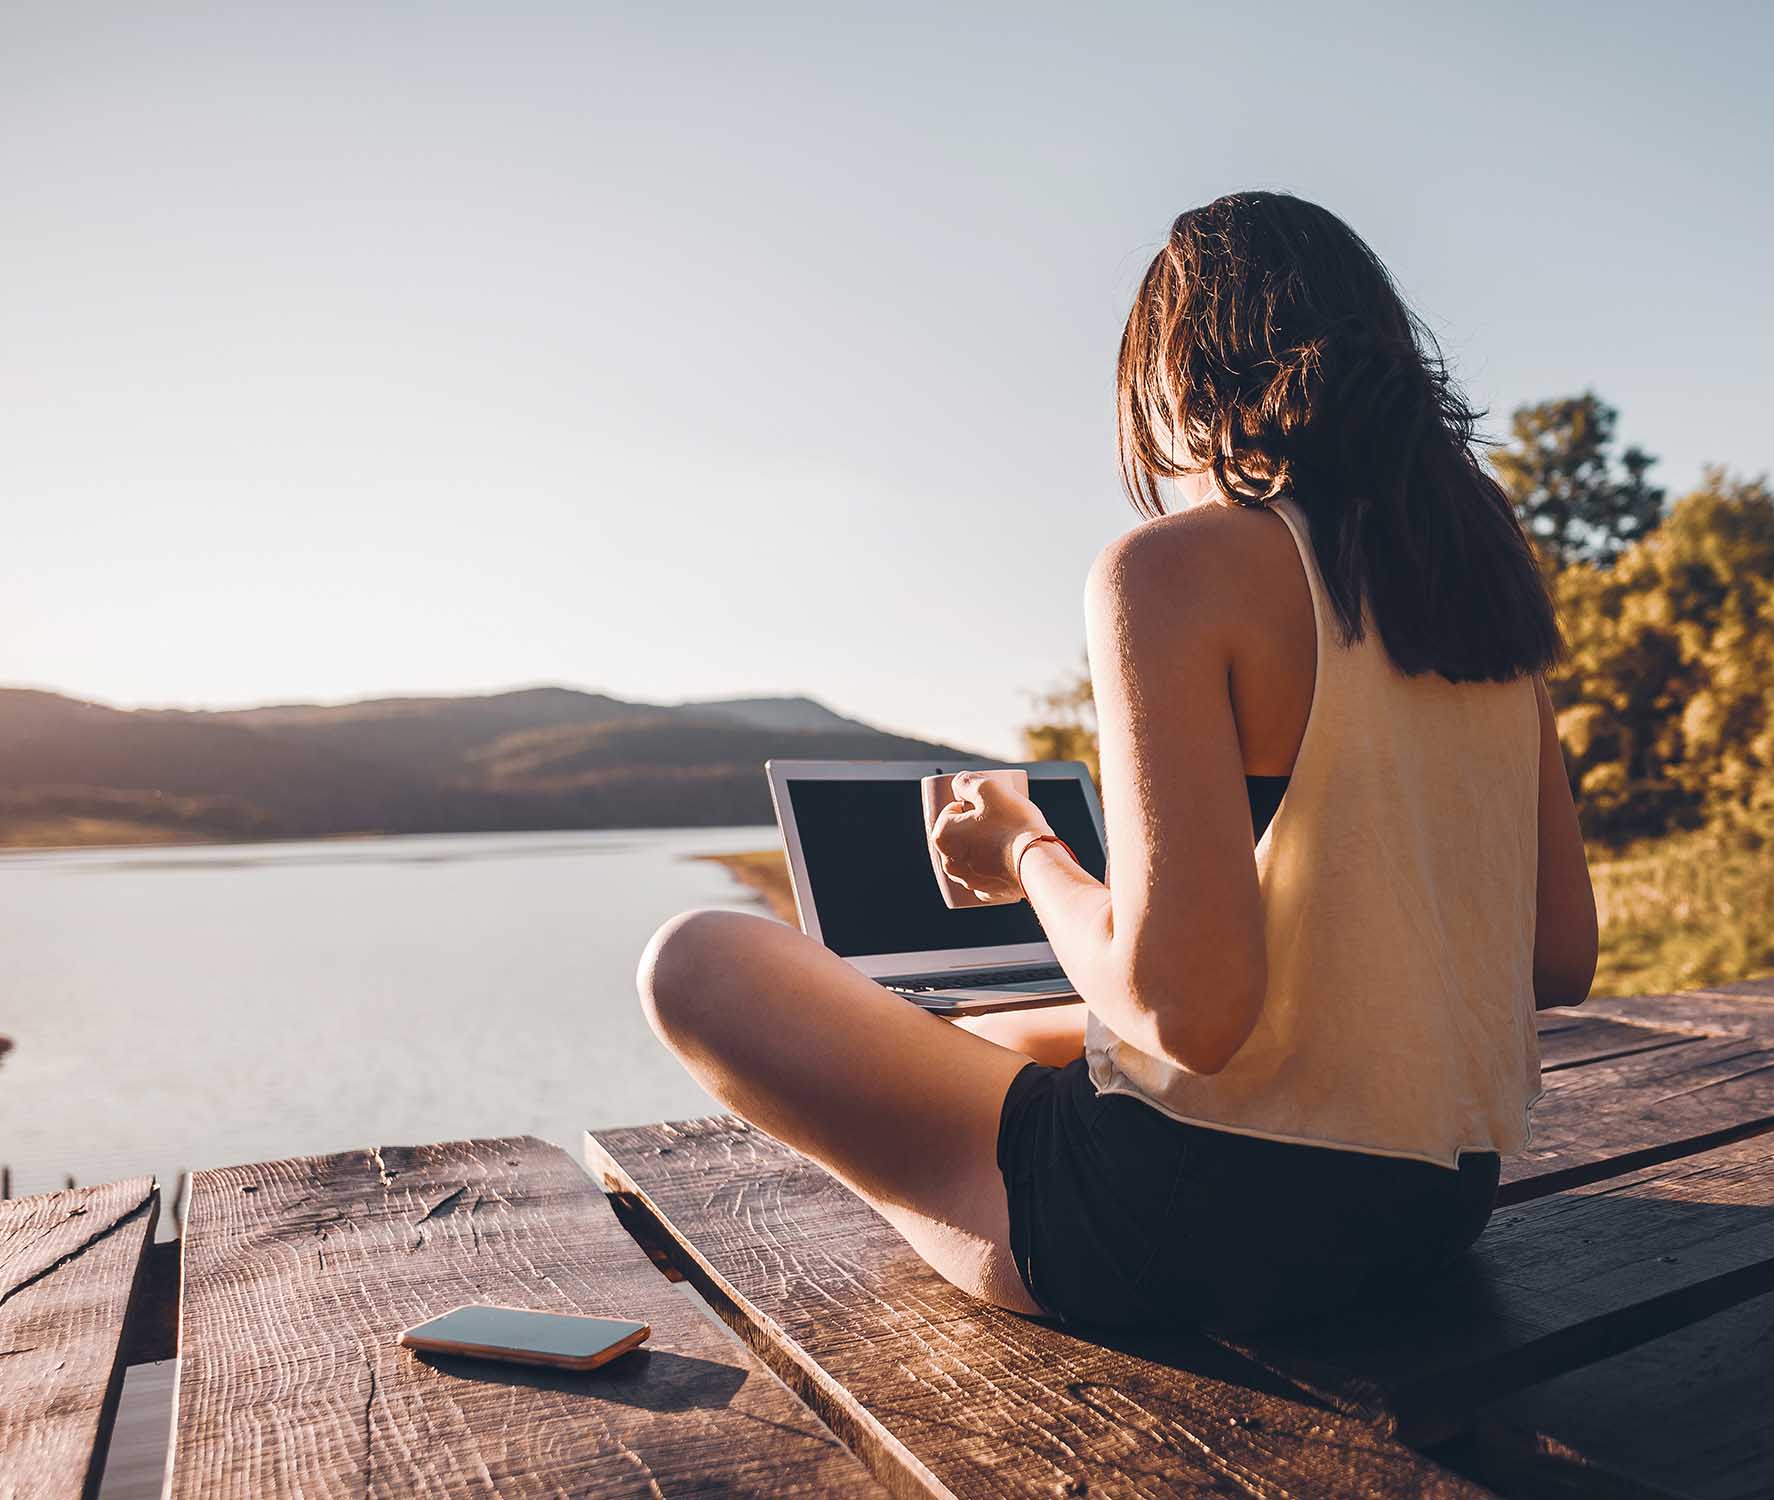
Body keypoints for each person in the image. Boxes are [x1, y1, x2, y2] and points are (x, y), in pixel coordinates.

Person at [636, 190, 1598, 1334]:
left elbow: (1183, 1014)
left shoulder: (1173, 570)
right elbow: (1556, 957)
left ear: (1177, 386)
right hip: (1431, 1213)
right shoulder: (1472, 578)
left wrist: (1024, 851)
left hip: (1183, 1228)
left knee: (693, 961)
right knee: (999, 1037)